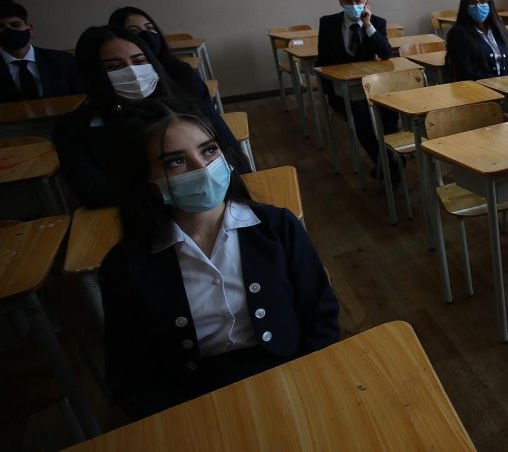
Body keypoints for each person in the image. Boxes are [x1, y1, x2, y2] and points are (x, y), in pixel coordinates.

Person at [100, 98, 338, 420]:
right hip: (196, 401)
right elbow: (130, 372)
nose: (202, 167)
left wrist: (316, 379)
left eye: (209, 150)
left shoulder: (276, 226)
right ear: (146, 182)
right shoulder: (126, 265)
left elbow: (320, 313)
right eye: (176, 162)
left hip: (292, 373)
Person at [54, 26, 247, 208]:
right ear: (92, 74)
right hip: (137, 215)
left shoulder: (187, 106)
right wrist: (175, 189)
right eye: (114, 67)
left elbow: (233, 156)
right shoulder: (74, 129)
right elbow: (93, 193)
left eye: (139, 61)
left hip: (217, 204)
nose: (132, 71)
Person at [315, 0, 397, 173]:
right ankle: (387, 164)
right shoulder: (328, 24)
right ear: (341, 2)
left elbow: (386, 53)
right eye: (348, 2)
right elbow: (322, 61)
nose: (353, 6)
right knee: (360, 112)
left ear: (365, 1)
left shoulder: (377, 22)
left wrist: (368, 25)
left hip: (372, 85)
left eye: (358, 2)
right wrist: (330, 92)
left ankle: (387, 160)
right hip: (342, 89)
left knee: (389, 110)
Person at [0, 0, 83, 102]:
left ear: (29, 29)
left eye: (15, 25)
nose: (9, 30)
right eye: (1, 27)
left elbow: (81, 100)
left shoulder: (64, 61)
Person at [445, 0, 508, 81]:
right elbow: (466, 71)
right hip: (481, 91)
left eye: (482, 1)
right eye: (472, 2)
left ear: (489, 3)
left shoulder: (499, 29)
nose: (478, 6)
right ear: (465, 6)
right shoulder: (458, 34)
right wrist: (498, 83)